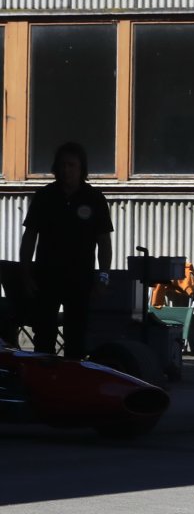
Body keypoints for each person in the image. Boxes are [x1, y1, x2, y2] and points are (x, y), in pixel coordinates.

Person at [19, 141, 113, 359]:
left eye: (71, 165)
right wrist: (25, 274)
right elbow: (29, 237)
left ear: (81, 169)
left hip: (80, 279)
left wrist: (103, 277)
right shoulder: (44, 197)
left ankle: (72, 377)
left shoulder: (94, 199)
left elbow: (104, 242)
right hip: (46, 277)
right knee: (43, 336)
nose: (66, 170)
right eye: (62, 165)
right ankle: (44, 376)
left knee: (76, 337)